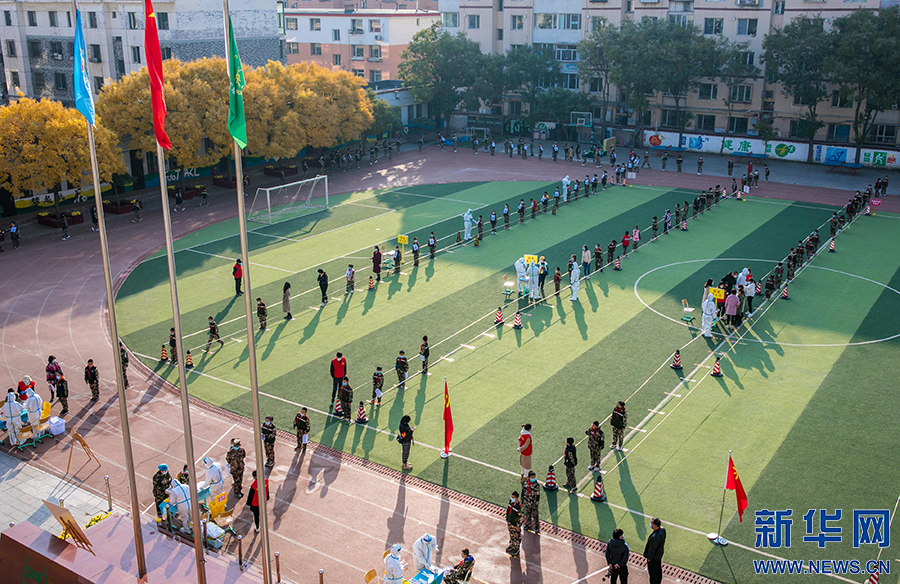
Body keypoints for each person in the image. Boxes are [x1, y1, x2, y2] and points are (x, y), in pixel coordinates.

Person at [505, 491, 523, 557]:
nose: (511, 498)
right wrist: (507, 518)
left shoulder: (519, 507)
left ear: (517, 498)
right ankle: (512, 545)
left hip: (515, 524)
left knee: (517, 537)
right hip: (510, 522)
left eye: (513, 497)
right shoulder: (510, 502)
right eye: (511, 497)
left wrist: (518, 526)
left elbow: (520, 517)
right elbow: (508, 509)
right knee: (511, 535)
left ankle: (516, 548)